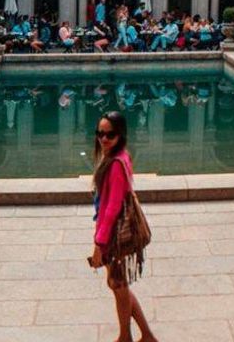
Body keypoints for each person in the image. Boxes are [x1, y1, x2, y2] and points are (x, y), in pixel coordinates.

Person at [89, 111, 157, 342]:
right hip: (110, 233)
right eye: (100, 133)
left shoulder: (116, 164)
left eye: (110, 134)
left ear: (121, 135)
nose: (104, 139)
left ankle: (126, 336)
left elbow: (112, 208)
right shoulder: (119, 157)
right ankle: (144, 335)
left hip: (115, 236)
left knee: (117, 285)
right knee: (120, 285)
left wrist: (99, 243)